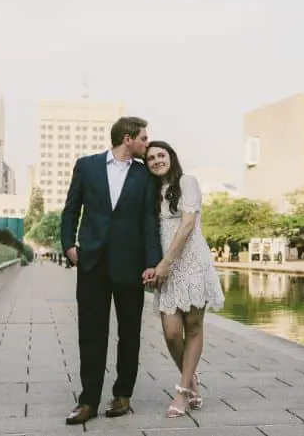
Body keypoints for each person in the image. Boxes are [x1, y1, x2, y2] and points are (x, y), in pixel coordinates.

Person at [60, 116, 162, 426]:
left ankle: (122, 396)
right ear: (128, 138)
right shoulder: (87, 165)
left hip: (130, 265)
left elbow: (149, 220)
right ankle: (88, 400)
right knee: (91, 332)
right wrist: (69, 246)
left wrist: (152, 262)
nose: (148, 143)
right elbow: (71, 209)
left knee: (130, 332)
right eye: (144, 138)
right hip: (91, 263)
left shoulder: (145, 175)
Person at [144, 140, 225, 418]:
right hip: (166, 266)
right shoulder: (152, 191)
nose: (156, 160)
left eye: (160, 155)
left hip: (191, 262)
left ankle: (181, 392)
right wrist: (157, 264)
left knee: (193, 327)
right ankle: (191, 379)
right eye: (150, 158)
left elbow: (188, 224)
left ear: (171, 156)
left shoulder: (187, 182)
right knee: (170, 332)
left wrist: (166, 262)